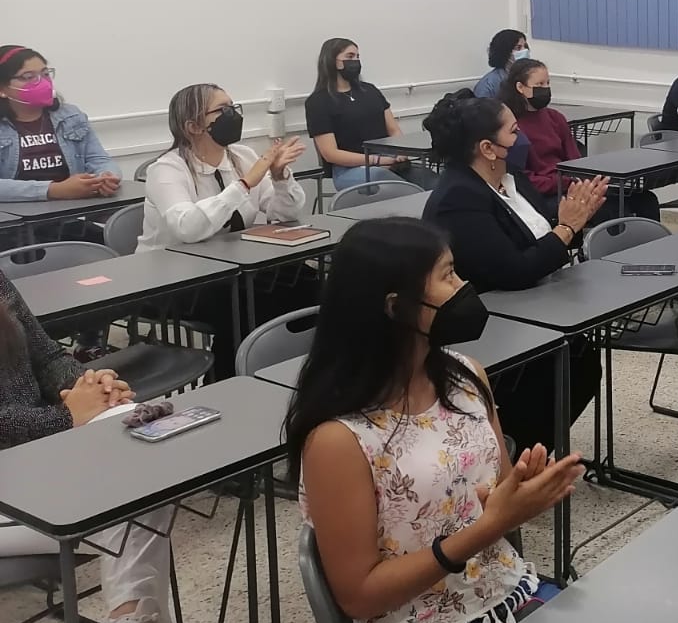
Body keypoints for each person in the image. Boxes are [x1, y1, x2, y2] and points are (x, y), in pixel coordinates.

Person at [287, 219, 622, 623]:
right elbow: (359, 595)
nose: (463, 286)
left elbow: (498, 494)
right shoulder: (338, 439)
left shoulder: (465, 376)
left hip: (506, 595)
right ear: (395, 307)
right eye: (447, 275)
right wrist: (490, 527)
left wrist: (521, 492)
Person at [0, 268, 245, 623]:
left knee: (138, 450)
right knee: (128, 498)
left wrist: (89, 385)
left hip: (37, 460)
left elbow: (46, 355)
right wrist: (66, 416)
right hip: (11, 490)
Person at [421, 91, 610, 451]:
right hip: (490, 324)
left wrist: (575, 221)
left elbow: (541, 238)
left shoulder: (513, 180)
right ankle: (507, 460)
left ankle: (521, 459)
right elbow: (514, 270)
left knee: (581, 362)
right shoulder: (459, 199)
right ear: (487, 149)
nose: (521, 137)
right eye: (512, 131)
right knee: (569, 366)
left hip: (535, 304)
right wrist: (566, 229)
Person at [139, 84, 314, 376]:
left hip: (233, 268)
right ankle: (230, 383)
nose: (233, 115)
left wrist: (279, 177)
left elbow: (284, 214)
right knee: (246, 307)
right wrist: (244, 185)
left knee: (306, 283)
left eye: (234, 107)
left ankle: (294, 374)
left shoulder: (242, 156)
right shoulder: (167, 170)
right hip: (175, 280)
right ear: (193, 125)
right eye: (222, 111)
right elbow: (187, 228)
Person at [500, 59, 658, 223]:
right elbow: (522, 180)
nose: (546, 88)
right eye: (539, 84)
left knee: (646, 200)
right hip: (544, 196)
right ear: (520, 88)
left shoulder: (555, 118)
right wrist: (565, 182)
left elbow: (577, 162)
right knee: (615, 210)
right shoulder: (512, 125)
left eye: (548, 83)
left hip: (571, 186)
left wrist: (587, 181)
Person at [0, 45, 122, 204]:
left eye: (45, 74)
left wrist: (106, 176)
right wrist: (53, 190)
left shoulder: (71, 116)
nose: (42, 82)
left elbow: (99, 159)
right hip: (15, 223)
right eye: (28, 76)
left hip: (70, 214)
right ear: (2, 89)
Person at [305, 38, 412, 192]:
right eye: (350, 56)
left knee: (430, 181)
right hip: (348, 170)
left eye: (357, 57)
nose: (355, 61)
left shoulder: (370, 91)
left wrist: (400, 153)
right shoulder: (318, 102)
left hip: (389, 161)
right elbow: (330, 153)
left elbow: (394, 130)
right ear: (332, 61)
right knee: (397, 187)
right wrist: (377, 161)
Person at [473, 29, 530, 100]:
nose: (525, 51)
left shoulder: (529, 76)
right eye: (518, 48)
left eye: (525, 46)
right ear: (505, 52)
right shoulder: (488, 85)